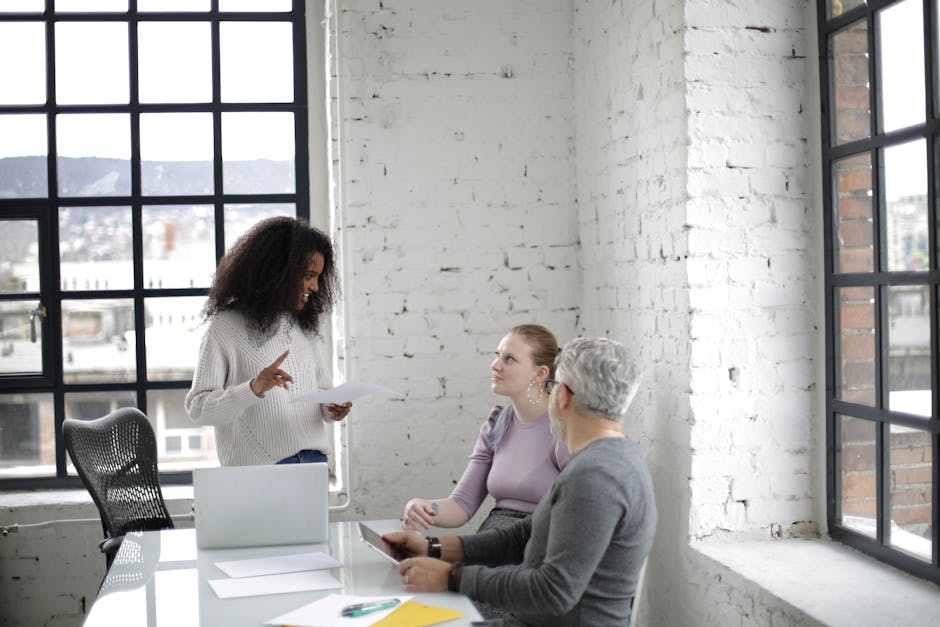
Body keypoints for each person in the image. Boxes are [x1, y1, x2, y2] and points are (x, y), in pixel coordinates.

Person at [383, 337, 657, 627]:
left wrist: (450, 577)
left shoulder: (595, 475)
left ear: (561, 395)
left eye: (551, 388)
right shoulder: (606, 459)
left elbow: (553, 591)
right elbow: (522, 535)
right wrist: (432, 548)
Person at [185, 216, 351, 466]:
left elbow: (320, 392)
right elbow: (198, 408)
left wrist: (331, 408)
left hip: (313, 462)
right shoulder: (225, 327)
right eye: (308, 275)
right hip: (261, 469)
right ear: (279, 271)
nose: (315, 286)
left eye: (318, 276)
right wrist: (253, 388)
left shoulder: (301, 324)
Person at [402, 324, 569, 534]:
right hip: (494, 538)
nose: (495, 365)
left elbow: (581, 512)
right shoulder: (497, 423)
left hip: (540, 541)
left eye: (509, 359)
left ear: (540, 373)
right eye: (497, 355)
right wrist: (421, 506)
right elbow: (461, 504)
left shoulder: (565, 428)